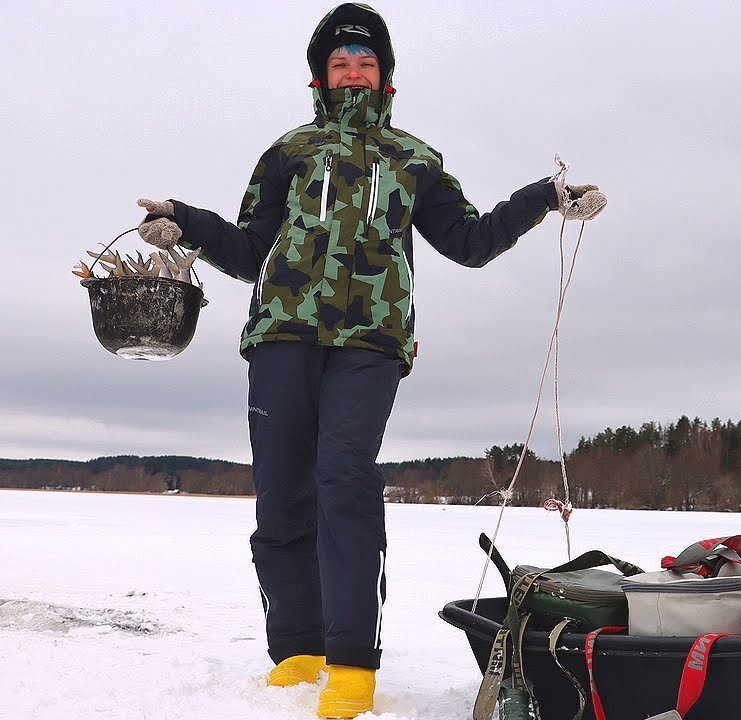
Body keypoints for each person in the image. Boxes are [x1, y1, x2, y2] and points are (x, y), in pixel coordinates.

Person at [136, 3, 605, 717]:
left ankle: (352, 663)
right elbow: (247, 249)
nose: (353, 71)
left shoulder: (413, 159)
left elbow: (470, 241)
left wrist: (543, 199)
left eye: (365, 61)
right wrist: (186, 225)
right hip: (282, 336)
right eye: (340, 62)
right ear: (320, 76)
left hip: (371, 341)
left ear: (385, 75)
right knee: (283, 493)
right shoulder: (288, 151)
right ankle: (297, 652)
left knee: (345, 480)